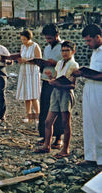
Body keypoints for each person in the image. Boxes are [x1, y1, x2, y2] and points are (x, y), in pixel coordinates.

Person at [35, 41, 79, 158]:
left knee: (65, 122)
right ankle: (46, 145)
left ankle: (65, 149)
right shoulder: (59, 63)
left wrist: (58, 84)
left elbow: (73, 85)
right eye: (63, 50)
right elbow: (57, 77)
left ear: (72, 51)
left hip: (65, 94)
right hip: (55, 92)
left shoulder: (74, 65)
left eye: (67, 51)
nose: (64, 53)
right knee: (48, 121)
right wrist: (51, 77)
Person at [72, 24, 102, 166]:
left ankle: (101, 160)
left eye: (89, 41)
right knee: (89, 123)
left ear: (98, 37)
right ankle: (91, 157)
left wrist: (83, 72)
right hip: (90, 89)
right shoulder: (95, 51)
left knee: (99, 124)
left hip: (100, 91)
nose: (87, 44)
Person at [36, 24, 64, 149]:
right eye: (46, 39)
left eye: (50, 38)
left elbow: (68, 64)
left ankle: (58, 138)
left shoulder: (64, 47)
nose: (48, 41)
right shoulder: (47, 48)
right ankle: (45, 136)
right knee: (45, 107)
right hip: (47, 81)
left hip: (59, 82)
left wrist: (55, 63)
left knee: (58, 109)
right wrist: (41, 64)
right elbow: (45, 62)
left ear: (57, 35)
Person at [16, 29, 41, 123]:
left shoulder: (35, 46)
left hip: (33, 72)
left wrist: (26, 60)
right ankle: (29, 116)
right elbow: (21, 57)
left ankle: (38, 116)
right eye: (22, 39)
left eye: (25, 39)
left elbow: (39, 60)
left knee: (33, 95)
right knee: (26, 95)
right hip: (24, 72)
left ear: (29, 38)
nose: (23, 41)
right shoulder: (22, 47)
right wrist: (20, 61)